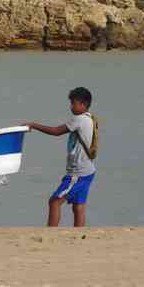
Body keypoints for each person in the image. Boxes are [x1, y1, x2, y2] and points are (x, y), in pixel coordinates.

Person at [23, 87, 97, 227]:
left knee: (55, 201)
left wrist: (33, 124)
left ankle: (51, 234)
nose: (71, 107)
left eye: (73, 103)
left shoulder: (79, 119)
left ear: (83, 104)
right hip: (89, 170)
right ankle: (79, 234)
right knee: (78, 205)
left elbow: (56, 131)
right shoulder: (90, 118)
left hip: (78, 172)